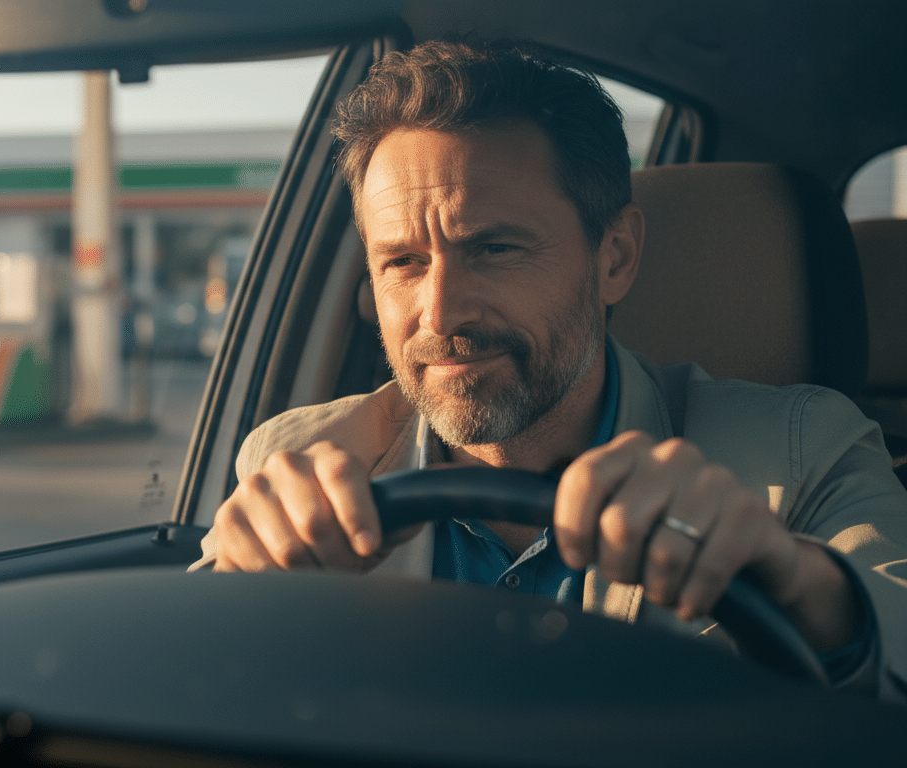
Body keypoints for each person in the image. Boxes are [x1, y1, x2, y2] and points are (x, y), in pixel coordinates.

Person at [190, 39, 907, 700]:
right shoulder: (295, 464)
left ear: (615, 256)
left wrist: (792, 579)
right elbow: (191, 690)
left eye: (495, 249)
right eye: (404, 263)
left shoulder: (805, 451)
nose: (441, 315)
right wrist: (236, 605)